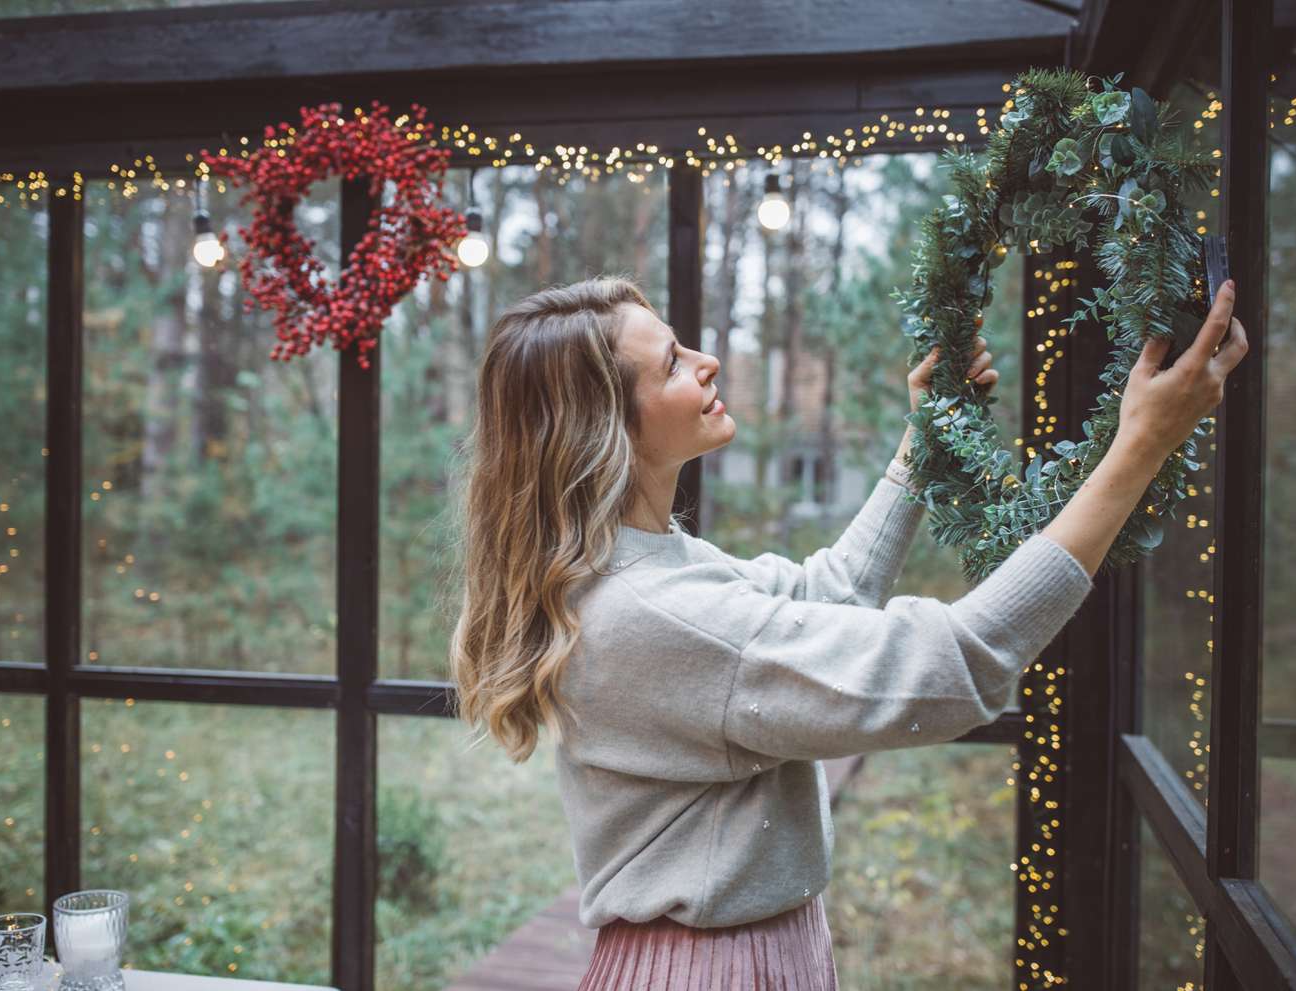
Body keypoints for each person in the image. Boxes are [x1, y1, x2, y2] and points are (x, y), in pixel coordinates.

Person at [446, 273, 1247, 990]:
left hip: (737, 951)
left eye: (684, 342)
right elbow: (949, 667)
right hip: (705, 968)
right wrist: (1138, 446)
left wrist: (922, 440)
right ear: (605, 429)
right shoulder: (648, 609)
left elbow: (828, 593)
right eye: (670, 364)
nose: (707, 360)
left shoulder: (652, 565)